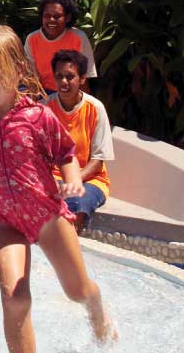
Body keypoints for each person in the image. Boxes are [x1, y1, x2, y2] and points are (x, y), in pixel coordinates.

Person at [0, 25, 115, 350]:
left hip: (47, 216)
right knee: (14, 298)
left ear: (16, 70)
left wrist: (72, 178)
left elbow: (65, 151)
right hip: (6, 221)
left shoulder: (37, 116)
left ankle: (98, 312)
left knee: (77, 290)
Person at [48, 50, 114, 232]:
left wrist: (72, 181)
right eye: (59, 76)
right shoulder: (46, 107)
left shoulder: (95, 108)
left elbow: (98, 161)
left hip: (90, 180)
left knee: (76, 202)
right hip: (54, 178)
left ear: (83, 79)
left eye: (70, 77)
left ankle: (71, 252)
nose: (63, 82)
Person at [24, 0, 98, 94]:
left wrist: (82, 105)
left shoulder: (79, 38)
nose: (51, 20)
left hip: (71, 92)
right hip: (43, 93)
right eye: (47, 16)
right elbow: (32, 78)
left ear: (67, 18)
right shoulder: (32, 39)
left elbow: (84, 79)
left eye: (57, 16)